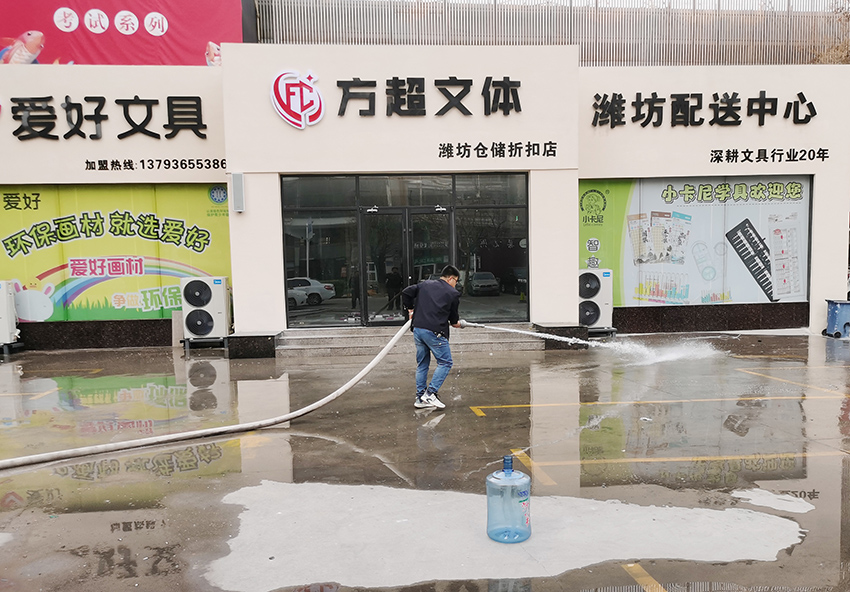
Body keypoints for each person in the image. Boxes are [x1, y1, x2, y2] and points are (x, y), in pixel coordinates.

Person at [401, 264, 463, 409]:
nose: (455, 284)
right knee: (445, 362)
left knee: (422, 364)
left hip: (418, 329)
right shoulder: (452, 293)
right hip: (435, 332)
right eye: (456, 281)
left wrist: (410, 310)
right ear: (451, 278)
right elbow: (454, 322)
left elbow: (406, 292)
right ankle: (430, 394)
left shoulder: (425, 285)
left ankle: (420, 398)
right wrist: (461, 324)